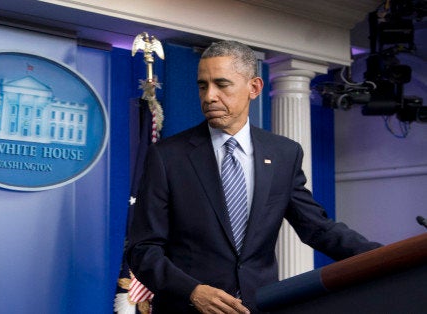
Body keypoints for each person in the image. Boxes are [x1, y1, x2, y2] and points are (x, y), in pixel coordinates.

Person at [126, 40, 382, 314]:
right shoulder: (167, 157)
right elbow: (143, 249)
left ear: (254, 87)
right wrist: (193, 291)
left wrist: (383, 258)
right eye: (203, 85)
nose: (209, 96)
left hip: (259, 307)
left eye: (222, 84)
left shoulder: (284, 153)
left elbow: (317, 228)